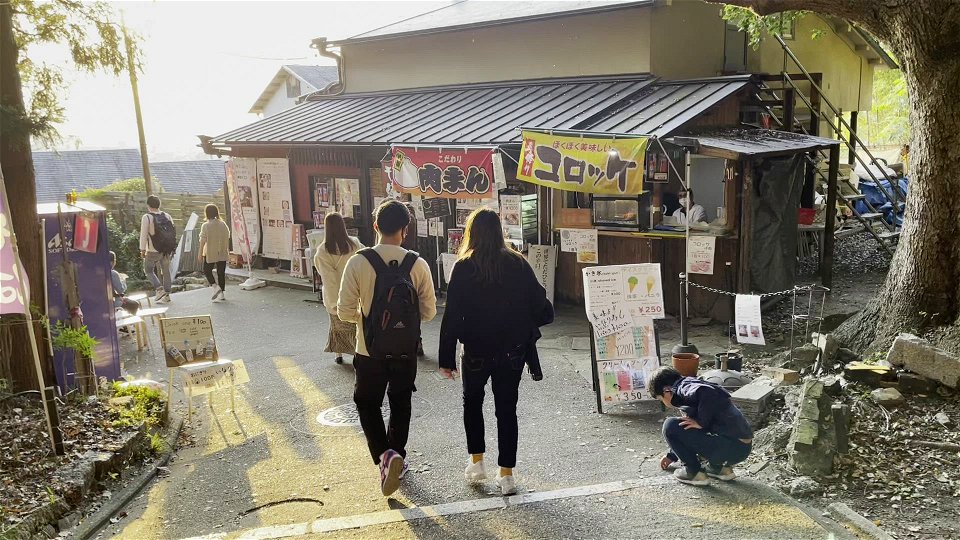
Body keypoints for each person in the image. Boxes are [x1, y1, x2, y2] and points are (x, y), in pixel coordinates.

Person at [438, 208, 554, 496]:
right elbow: (543, 309)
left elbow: (452, 316)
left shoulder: (463, 267)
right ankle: (507, 475)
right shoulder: (518, 264)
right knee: (506, 410)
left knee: (472, 404)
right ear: (500, 232)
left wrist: (445, 359)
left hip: (475, 350)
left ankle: (477, 463)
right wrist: (521, 324)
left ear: (471, 233)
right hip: (511, 352)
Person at [337, 200, 437, 497]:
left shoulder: (358, 262)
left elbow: (343, 311)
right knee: (400, 402)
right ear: (405, 230)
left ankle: (384, 456)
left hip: (369, 352)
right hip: (406, 350)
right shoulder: (418, 264)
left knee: (367, 404)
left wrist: (367, 318)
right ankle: (397, 455)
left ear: (376, 226)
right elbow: (429, 313)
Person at [649, 366, 753, 486]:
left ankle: (693, 472)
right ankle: (719, 469)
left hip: (730, 447)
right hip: (742, 448)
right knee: (689, 424)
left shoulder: (683, 387)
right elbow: (689, 431)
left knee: (670, 425)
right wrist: (671, 455)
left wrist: (701, 422)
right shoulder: (689, 386)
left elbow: (706, 392)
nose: (664, 403)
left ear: (666, 391)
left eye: (660, 399)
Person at [314, 212, 364, 364]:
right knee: (356, 325)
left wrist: (335, 302)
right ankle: (358, 352)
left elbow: (329, 279)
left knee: (337, 326)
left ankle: (338, 354)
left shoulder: (323, 250)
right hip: (355, 291)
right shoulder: (354, 244)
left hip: (334, 295)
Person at [139, 195, 177, 303]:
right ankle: (167, 295)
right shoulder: (167, 216)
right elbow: (173, 232)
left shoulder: (147, 217)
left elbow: (143, 235)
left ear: (148, 205)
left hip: (153, 250)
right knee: (166, 271)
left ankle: (159, 289)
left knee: (148, 270)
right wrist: (173, 247)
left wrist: (142, 250)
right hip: (166, 249)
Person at [197, 204, 231, 302]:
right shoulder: (223, 224)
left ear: (207, 213)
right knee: (221, 272)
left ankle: (215, 287)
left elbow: (202, 241)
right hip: (222, 251)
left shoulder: (206, 226)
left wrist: (199, 254)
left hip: (210, 252)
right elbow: (227, 236)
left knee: (207, 270)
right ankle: (222, 294)